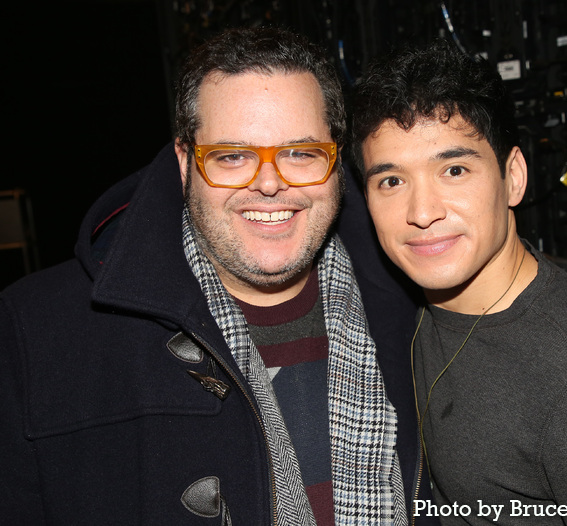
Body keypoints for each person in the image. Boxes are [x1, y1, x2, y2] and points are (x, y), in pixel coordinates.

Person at [0, 27, 433, 525]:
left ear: (335, 161)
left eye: (300, 153)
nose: (269, 183)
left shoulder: (419, 307)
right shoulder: (36, 332)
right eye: (231, 156)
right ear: (185, 163)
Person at [351, 39, 567, 525]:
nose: (421, 214)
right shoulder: (407, 299)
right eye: (392, 181)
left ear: (514, 178)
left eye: (455, 169)